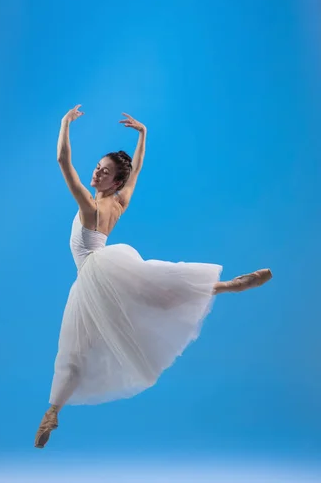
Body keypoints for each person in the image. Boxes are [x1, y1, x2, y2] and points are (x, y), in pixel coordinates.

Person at [34, 105, 272, 449]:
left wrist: (63, 124)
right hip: (103, 270)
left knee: (75, 351)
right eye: (98, 168)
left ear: (117, 181)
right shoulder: (120, 202)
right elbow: (138, 169)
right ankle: (224, 286)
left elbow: (61, 160)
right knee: (158, 296)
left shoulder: (90, 205)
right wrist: (143, 135)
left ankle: (52, 411)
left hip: (92, 275)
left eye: (104, 172)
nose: (96, 174)